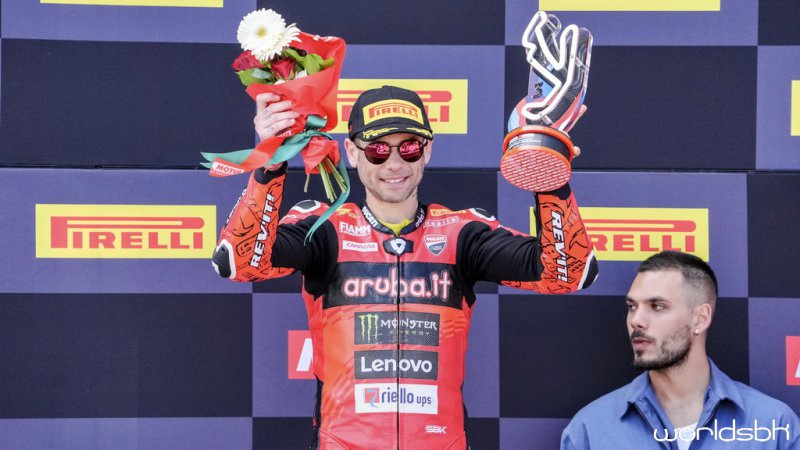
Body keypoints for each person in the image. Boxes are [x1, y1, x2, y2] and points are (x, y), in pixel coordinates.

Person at [213, 85, 598, 449]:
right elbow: (239, 262)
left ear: (427, 151)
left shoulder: (461, 234)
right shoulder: (325, 228)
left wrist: (549, 178)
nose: (395, 163)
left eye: (410, 148)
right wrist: (270, 165)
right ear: (352, 153)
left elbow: (566, 274)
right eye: (377, 149)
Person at [561, 251, 800, 450]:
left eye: (657, 306)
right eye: (632, 307)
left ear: (700, 318)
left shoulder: (773, 425)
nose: (636, 320)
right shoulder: (590, 429)